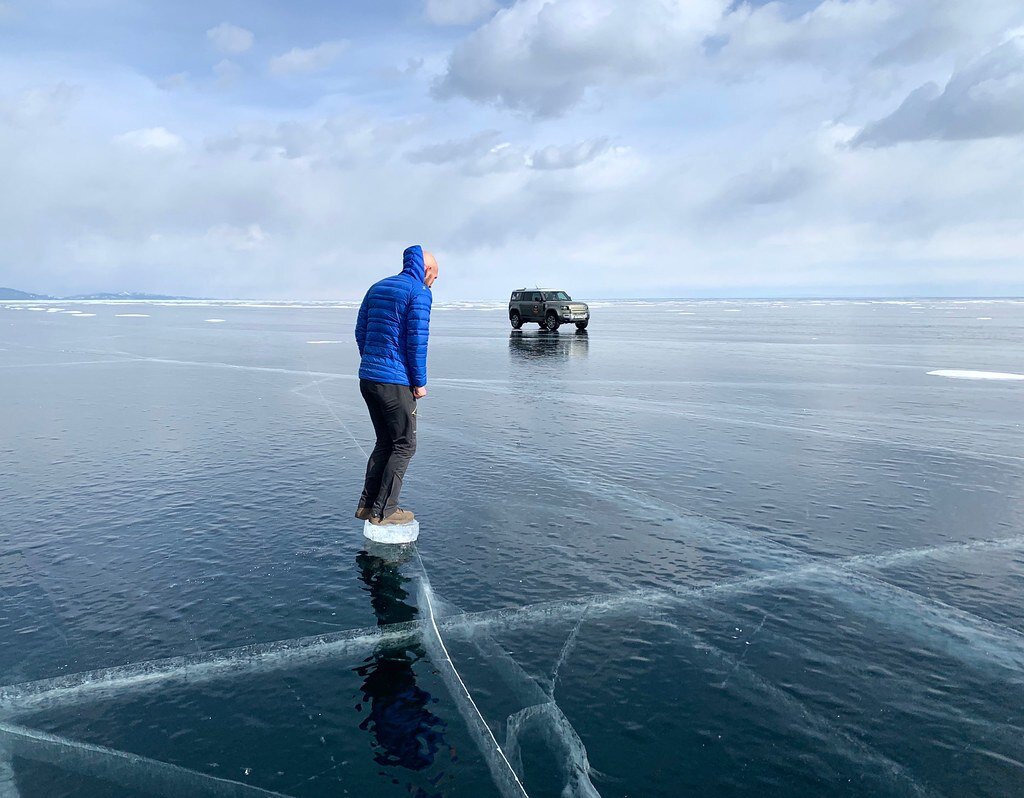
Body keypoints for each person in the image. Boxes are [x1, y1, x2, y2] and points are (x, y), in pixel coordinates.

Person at [354, 244, 437, 526]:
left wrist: (372, 363)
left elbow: (360, 331)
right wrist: (419, 383)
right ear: (426, 270)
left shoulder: (377, 287)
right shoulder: (419, 292)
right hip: (395, 382)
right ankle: (385, 510)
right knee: (404, 445)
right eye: (435, 275)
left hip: (369, 379)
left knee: (385, 441)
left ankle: (367, 506)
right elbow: (416, 342)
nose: (434, 281)